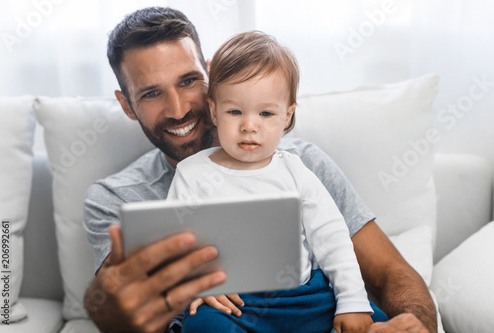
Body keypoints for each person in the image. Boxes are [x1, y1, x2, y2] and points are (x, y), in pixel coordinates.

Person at [83, 6, 437, 333]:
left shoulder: (302, 163)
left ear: (209, 77)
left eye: (188, 80)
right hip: (231, 310)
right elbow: (122, 314)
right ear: (126, 105)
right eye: (150, 94)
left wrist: (410, 324)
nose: (177, 109)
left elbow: (385, 268)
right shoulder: (114, 198)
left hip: (304, 297)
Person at [166, 30, 387, 333]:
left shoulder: (296, 172)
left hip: (304, 297)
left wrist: (352, 301)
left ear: (287, 116)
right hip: (235, 303)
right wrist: (198, 282)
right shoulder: (191, 174)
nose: (249, 126)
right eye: (234, 111)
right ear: (214, 111)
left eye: (266, 113)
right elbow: (174, 248)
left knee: (375, 320)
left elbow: (332, 238)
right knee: (203, 324)